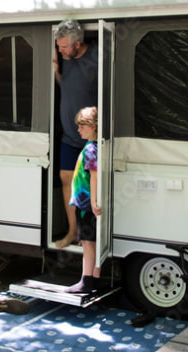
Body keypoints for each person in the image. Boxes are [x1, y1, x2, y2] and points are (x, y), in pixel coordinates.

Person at [53, 18, 99, 248]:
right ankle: (72, 232)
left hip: (91, 136)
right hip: (69, 136)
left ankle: (88, 235)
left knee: (89, 184)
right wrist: (56, 73)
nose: (59, 51)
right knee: (66, 179)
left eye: (63, 47)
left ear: (78, 44)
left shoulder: (97, 58)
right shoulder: (66, 60)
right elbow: (69, 88)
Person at [66, 106, 103, 293]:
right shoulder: (97, 147)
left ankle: (86, 280)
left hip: (86, 205)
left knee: (88, 243)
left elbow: (94, 175)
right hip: (87, 204)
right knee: (94, 242)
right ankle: (95, 279)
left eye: (82, 126)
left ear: (94, 126)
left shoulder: (90, 149)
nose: (79, 130)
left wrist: (94, 202)